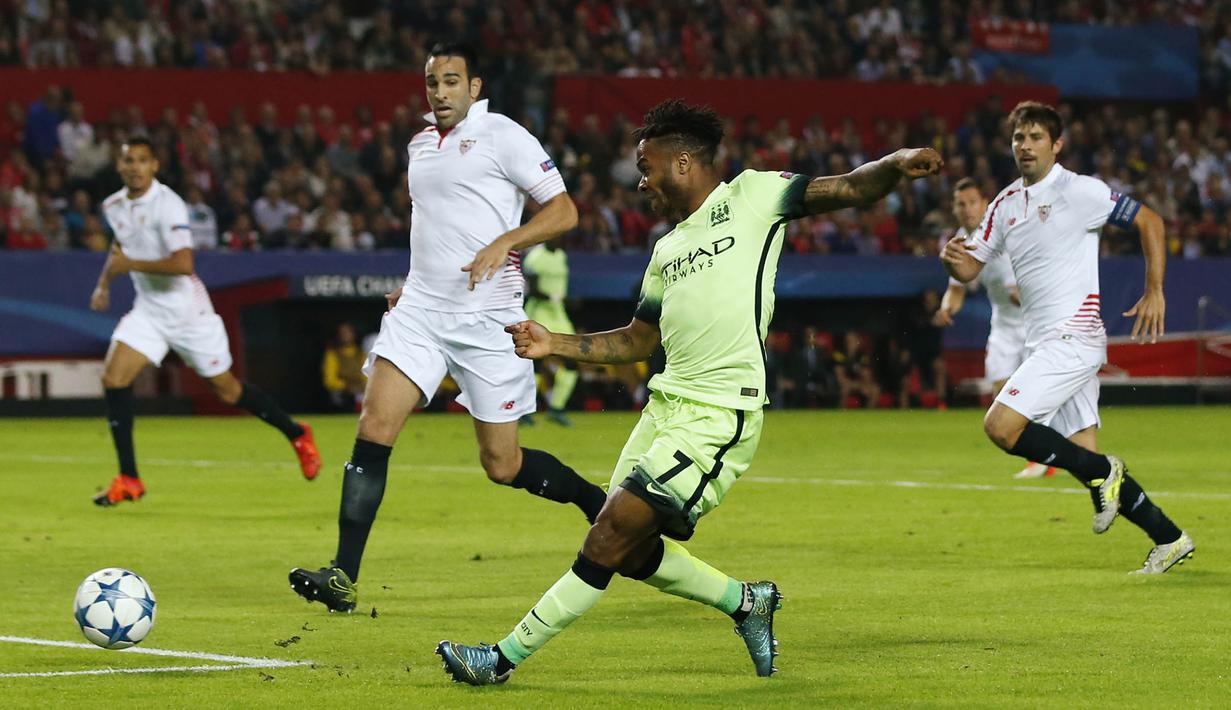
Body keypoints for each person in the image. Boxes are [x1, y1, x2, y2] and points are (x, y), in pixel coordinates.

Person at [436, 99, 942, 684]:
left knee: (610, 534)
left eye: (647, 168)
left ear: (683, 162)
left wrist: (897, 161)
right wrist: (556, 344)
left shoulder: (753, 196)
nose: (643, 182)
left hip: (720, 410)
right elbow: (636, 339)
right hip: (665, 407)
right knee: (622, 543)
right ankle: (745, 601)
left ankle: (500, 660)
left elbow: (849, 188)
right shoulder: (667, 249)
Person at [288, 42, 605, 612]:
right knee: (374, 425)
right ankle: (343, 575)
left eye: (452, 82)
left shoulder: (504, 135)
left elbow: (565, 212)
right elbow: (433, 225)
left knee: (502, 465)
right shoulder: (418, 144)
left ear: (475, 87)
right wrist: (414, 283)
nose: (440, 92)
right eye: (433, 82)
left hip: (490, 319)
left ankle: (595, 502)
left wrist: (505, 241)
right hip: (421, 313)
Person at [941, 101, 1194, 575]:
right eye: (1019, 137)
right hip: (1044, 342)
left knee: (1000, 426)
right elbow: (971, 265)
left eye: (1036, 137)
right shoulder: (1004, 204)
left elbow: (1150, 222)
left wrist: (1154, 290)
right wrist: (950, 261)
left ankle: (1104, 473)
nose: (1025, 145)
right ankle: (1169, 537)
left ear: (1057, 144)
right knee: (1088, 460)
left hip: (1073, 340)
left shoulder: (1081, 192)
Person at [90, 137, 321, 507]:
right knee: (114, 378)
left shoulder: (169, 205)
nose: (134, 166)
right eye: (128, 160)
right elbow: (120, 252)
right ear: (119, 166)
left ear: (154, 166)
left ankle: (296, 432)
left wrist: (126, 267)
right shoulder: (113, 205)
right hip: (149, 310)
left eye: (141, 160)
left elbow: (184, 264)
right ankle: (129, 478)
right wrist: (104, 284)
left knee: (227, 391)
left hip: (187, 311)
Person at [933, 177, 1053, 478]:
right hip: (1002, 323)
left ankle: (1044, 458)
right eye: (961, 204)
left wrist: (1027, 295)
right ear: (954, 208)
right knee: (1002, 394)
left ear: (984, 203)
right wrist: (946, 308)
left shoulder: (1005, 227)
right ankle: (1043, 454)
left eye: (972, 202)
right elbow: (957, 289)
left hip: (1033, 323)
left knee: (1032, 394)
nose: (967, 209)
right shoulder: (962, 240)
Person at [520, 239, 578, 426]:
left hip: (558, 314)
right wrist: (554, 297)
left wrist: (564, 299)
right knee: (536, 363)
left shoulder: (561, 255)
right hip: (539, 314)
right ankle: (524, 411)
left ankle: (557, 408)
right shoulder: (535, 257)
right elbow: (532, 290)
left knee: (572, 359)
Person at [322, 322, 366, 410]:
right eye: (342, 333)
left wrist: (363, 385)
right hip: (343, 391)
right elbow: (329, 380)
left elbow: (367, 374)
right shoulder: (332, 354)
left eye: (348, 333)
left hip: (360, 389)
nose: (345, 336)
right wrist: (346, 386)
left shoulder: (361, 354)